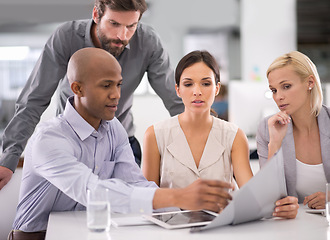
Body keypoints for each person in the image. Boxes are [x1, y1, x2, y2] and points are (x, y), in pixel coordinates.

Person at [8, 48, 232, 240]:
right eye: (106, 86)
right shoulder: (49, 138)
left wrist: (190, 209)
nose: (116, 95)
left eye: (118, 85)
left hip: (88, 230)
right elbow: (93, 191)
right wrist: (177, 196)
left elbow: (135, 183)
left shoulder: (114, 128)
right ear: (78, 89)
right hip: (40, 236)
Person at [0, 0, 184, 190]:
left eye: (131, 26)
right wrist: (9, 157)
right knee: (75, 213)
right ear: (96, 15)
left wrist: (208, 133)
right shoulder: (66, 37)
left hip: (120, 145)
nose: (122, 35)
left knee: (131, 209)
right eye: (114, 24)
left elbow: (175, 99)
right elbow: (33, 100)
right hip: (72, 144)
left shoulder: (148, 41)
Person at [142, 50, 298, 218]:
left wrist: (274, 142)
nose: (197, 91)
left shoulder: (234, 135)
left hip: (221, 228)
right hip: (170, 231)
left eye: (206, 83)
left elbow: (252, 197)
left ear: (217, 88)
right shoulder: (155, 134)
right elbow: (148, 201)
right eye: (188, 84)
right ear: (177, 90)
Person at [256, 50, 330, 210]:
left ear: (310, 82)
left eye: (286, 86)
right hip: (293, 228)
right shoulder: (267, 128)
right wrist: (274, 143)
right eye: (274, 90)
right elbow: (265, 198)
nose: (278, 97)